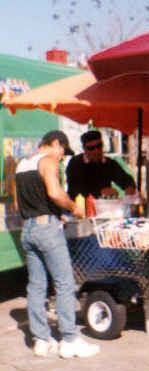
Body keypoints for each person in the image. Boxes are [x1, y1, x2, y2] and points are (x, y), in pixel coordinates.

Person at [15, 130, 100, 358]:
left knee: (36, 286)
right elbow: (54, 192)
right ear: (54, 143)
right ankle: (70, 340)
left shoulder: (21, 164)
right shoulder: (48, 160)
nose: (62, 156)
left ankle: (41, 340)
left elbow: (18, 203)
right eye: (63, 150)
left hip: (28, 229)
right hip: (47, 229)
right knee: (64, 283)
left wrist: (52, 213)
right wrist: (73, 208)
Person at [66, 130, 136, 199]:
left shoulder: (109, 163)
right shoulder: (75, 163)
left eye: (99, 146)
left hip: (104, 206)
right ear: (84, 149)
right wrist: (100, 192)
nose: (96, 151)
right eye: (91, 148)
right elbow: (74, 189)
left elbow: (125, 178)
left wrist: (129, 186)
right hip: (80, 207)